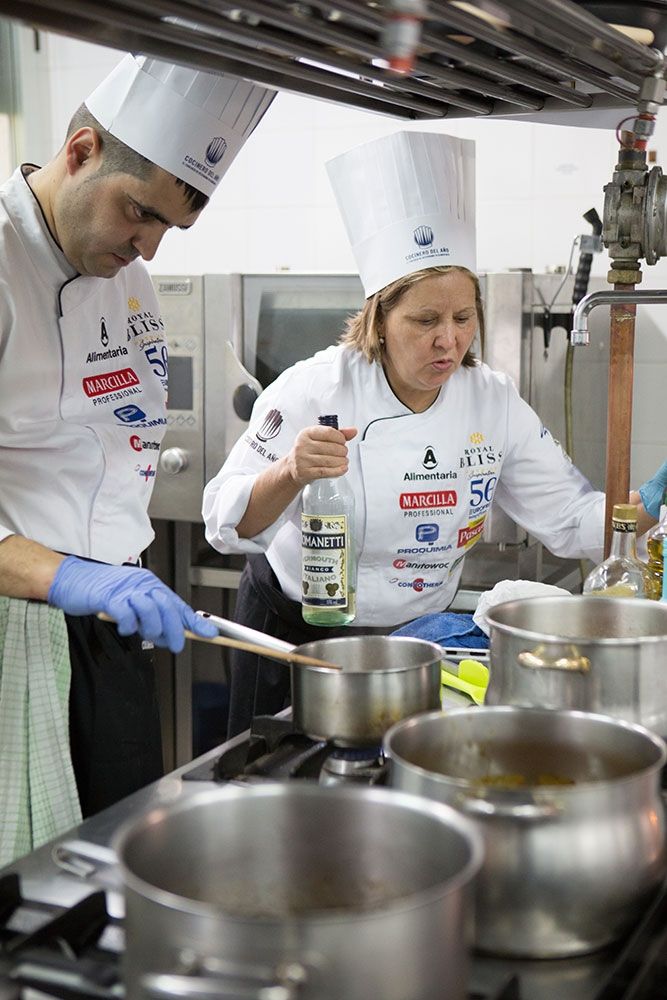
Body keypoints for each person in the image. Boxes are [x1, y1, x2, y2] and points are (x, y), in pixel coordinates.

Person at [202, 130, 667, 738]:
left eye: (463, 317)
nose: (448, 340)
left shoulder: (492, 401)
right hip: (296, 636)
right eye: (425, 320)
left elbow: (565, 515)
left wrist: (632, 516)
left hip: (416, 645)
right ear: (379, 319)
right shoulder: (311, 389)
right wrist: (289, 473)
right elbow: (222, 519)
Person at [0, 53, 275, 862]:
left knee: (117, 859)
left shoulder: (124, 272)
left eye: (168, 228)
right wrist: (70, 575)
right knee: (33, 886)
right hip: (19, 632)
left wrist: (115, 570)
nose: (147, 246)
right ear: (81, 150)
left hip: (108, 630)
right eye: (137, 211)